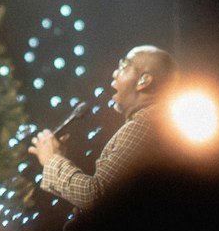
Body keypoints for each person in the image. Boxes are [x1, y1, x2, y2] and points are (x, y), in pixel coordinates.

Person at [27, 45, 176, 211]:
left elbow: (97, 197)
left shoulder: (145, 124)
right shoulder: (155, 122)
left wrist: (52, 160)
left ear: (144, 80)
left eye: (124, 66)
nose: (114, 73)